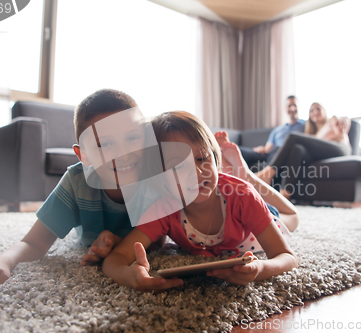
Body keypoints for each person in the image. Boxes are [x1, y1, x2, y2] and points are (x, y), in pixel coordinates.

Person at [0, 89, 155, 292]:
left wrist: (120, 244)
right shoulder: (77, 182)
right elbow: (34, 242)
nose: (123, 153)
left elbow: (163, 236)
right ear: (83, 155)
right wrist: (2, 262)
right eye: (105, 144)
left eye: (132, 138)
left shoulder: (156, 176)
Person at [96, 111, 298, 292]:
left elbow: (287, 258)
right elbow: (115, 260)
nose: (197, 172)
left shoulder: (242, 197)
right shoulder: (163, 207)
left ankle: (248, 177)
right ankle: (241, 175)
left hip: (254, 217)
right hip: (234, 200)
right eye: (178, 167)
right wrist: (128, 276)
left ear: (214, 158)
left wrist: (260, 269)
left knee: (292, 217)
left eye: (202, 158)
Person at [255, 102, 352, 197]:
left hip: (340, 148)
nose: (315, 112)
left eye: (318, 108)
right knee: (297, 149)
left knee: (292, 136)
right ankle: (284, 195)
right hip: (322, 152)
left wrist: (338, 123)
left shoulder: (332, 121)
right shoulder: (314, 133)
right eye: (311, 110)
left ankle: (268, 173)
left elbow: (342, 128)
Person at [239, 96, 305, 167]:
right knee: (239, 150)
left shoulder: (305, 125)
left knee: (279, 148)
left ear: (299, 107)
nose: (292, 108)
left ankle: (266, 174)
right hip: (271, 154)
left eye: (295, 105)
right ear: (285, 108)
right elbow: (267, 149)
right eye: (289, 105)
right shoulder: (278, 129)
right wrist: (262, 148)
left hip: (285, 153)